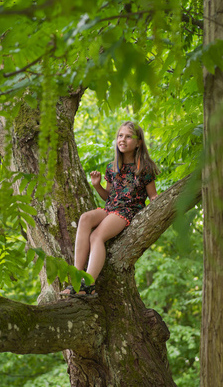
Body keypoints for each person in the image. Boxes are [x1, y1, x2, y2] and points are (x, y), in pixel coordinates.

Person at [60, 121, 159, 297]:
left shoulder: (145, 168)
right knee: (85, 218)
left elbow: (152, 196)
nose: (123, 139)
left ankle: (89, 284)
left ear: (138, 143)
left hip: (127, 211)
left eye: (128, 136)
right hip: (110, 207)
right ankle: (77, 279)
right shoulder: (112, 168)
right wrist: (97, 186)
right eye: (120, 136)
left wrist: (157, 201)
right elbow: (108, 196)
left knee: (97, 236)